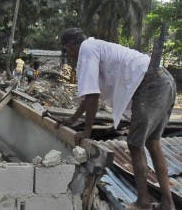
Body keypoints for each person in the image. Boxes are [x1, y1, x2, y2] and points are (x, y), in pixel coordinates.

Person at [60, 28, 176, 210]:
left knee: (135, 144)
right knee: (153, 143)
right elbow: (89, 95)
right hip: (163, 80)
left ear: (71, 45)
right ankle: (168, 204)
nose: (69, 56)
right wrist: (73, 119)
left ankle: (143, 202)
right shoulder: (96, 47)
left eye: (67, 51)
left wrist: (87, 132)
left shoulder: (87, 50)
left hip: (150, 83)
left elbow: (92, 96)